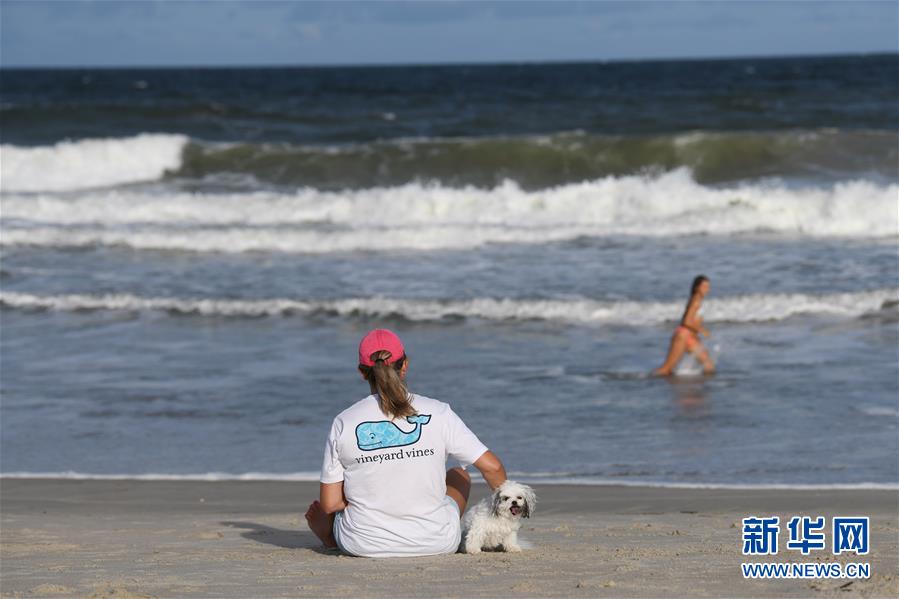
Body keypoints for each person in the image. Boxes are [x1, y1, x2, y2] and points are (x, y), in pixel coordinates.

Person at [304, 328, 507, 557]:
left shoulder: (344, 421)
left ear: (362, 372)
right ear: (405, 365)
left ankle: (332, 537)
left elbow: (330, 504)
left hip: (363, 544)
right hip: (438, 542)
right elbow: (493, 468)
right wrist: (505, 514)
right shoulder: (439, 412)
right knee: (459, 474)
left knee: (348, 487)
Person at [652, 275, 715, 376]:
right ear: (697, 288)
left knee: (709, 365)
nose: (707, 289)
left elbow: (693, 321)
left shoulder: (698, 300)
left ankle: (697, 385)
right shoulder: (696, 300)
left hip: (690, 337)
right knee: (666, 369)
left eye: (708, 287)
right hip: (683, 335)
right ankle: (645, 381)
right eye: (704, 286)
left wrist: (697, 335)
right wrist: (702, 330)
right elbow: (686, 321)